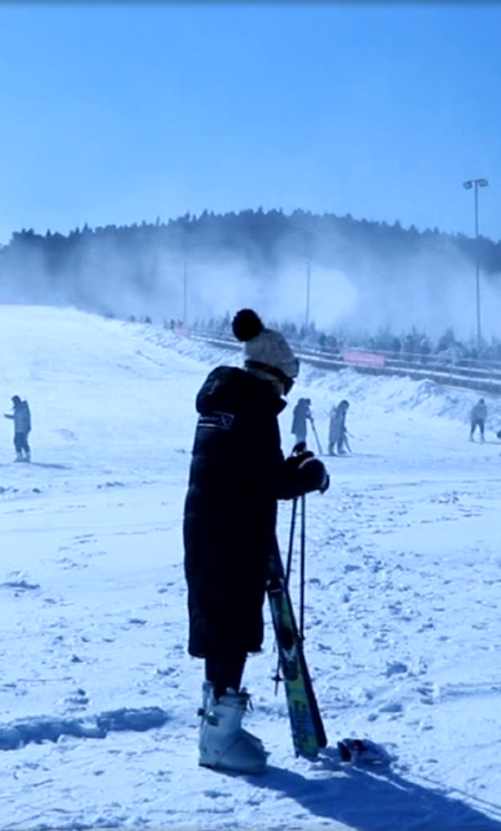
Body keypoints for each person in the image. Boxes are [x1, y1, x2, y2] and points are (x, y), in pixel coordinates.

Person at [183, 308, 330, 776]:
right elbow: (271, 482)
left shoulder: (223, 401)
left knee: (216, 626)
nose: (286, 394)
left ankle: (216, 728)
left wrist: (287, 469)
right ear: (275, 375)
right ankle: (219, 742)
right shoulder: (255, 407)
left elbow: (246, 471)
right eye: (287, 384)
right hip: (236, 532)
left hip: (205, 526)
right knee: (232, 630)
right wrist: (309, 474)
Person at [5, 395, 32, 462]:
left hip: (23, 429)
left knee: (23, 442)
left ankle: (27, 456)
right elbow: (17, 417)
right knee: (16, 442)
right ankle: (19, 456)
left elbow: (27, 419)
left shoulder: (24, 408)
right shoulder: (18, 408)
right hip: (17, 429)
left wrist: (27, 428)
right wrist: (9, 417)